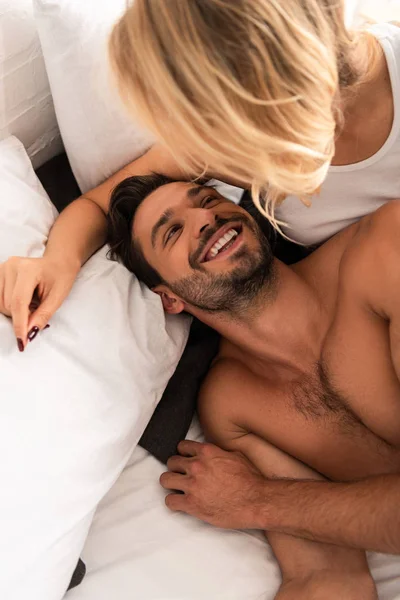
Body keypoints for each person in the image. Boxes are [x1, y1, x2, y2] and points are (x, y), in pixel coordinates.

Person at [106, 173, 400, 599]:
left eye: (206, 198)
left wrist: (256, 499)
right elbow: (329, 578)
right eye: (173, 230)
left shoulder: (383, 250)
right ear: (169, 299)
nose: (206, 216)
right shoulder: (233, 405)